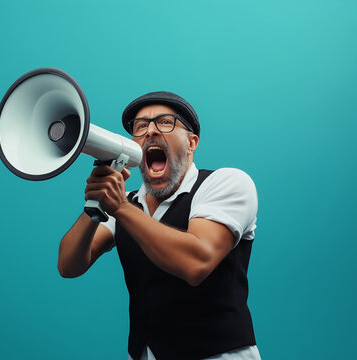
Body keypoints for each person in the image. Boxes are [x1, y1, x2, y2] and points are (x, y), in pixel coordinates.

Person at [57, 91, 260, 360]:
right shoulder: (128, 204)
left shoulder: (225, 183)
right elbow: (69, 265)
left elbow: (196, 262)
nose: (150, 130)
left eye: (165, 122)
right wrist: (96, 202)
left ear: (191, 143)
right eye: (140, 126)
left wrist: (119, 207)